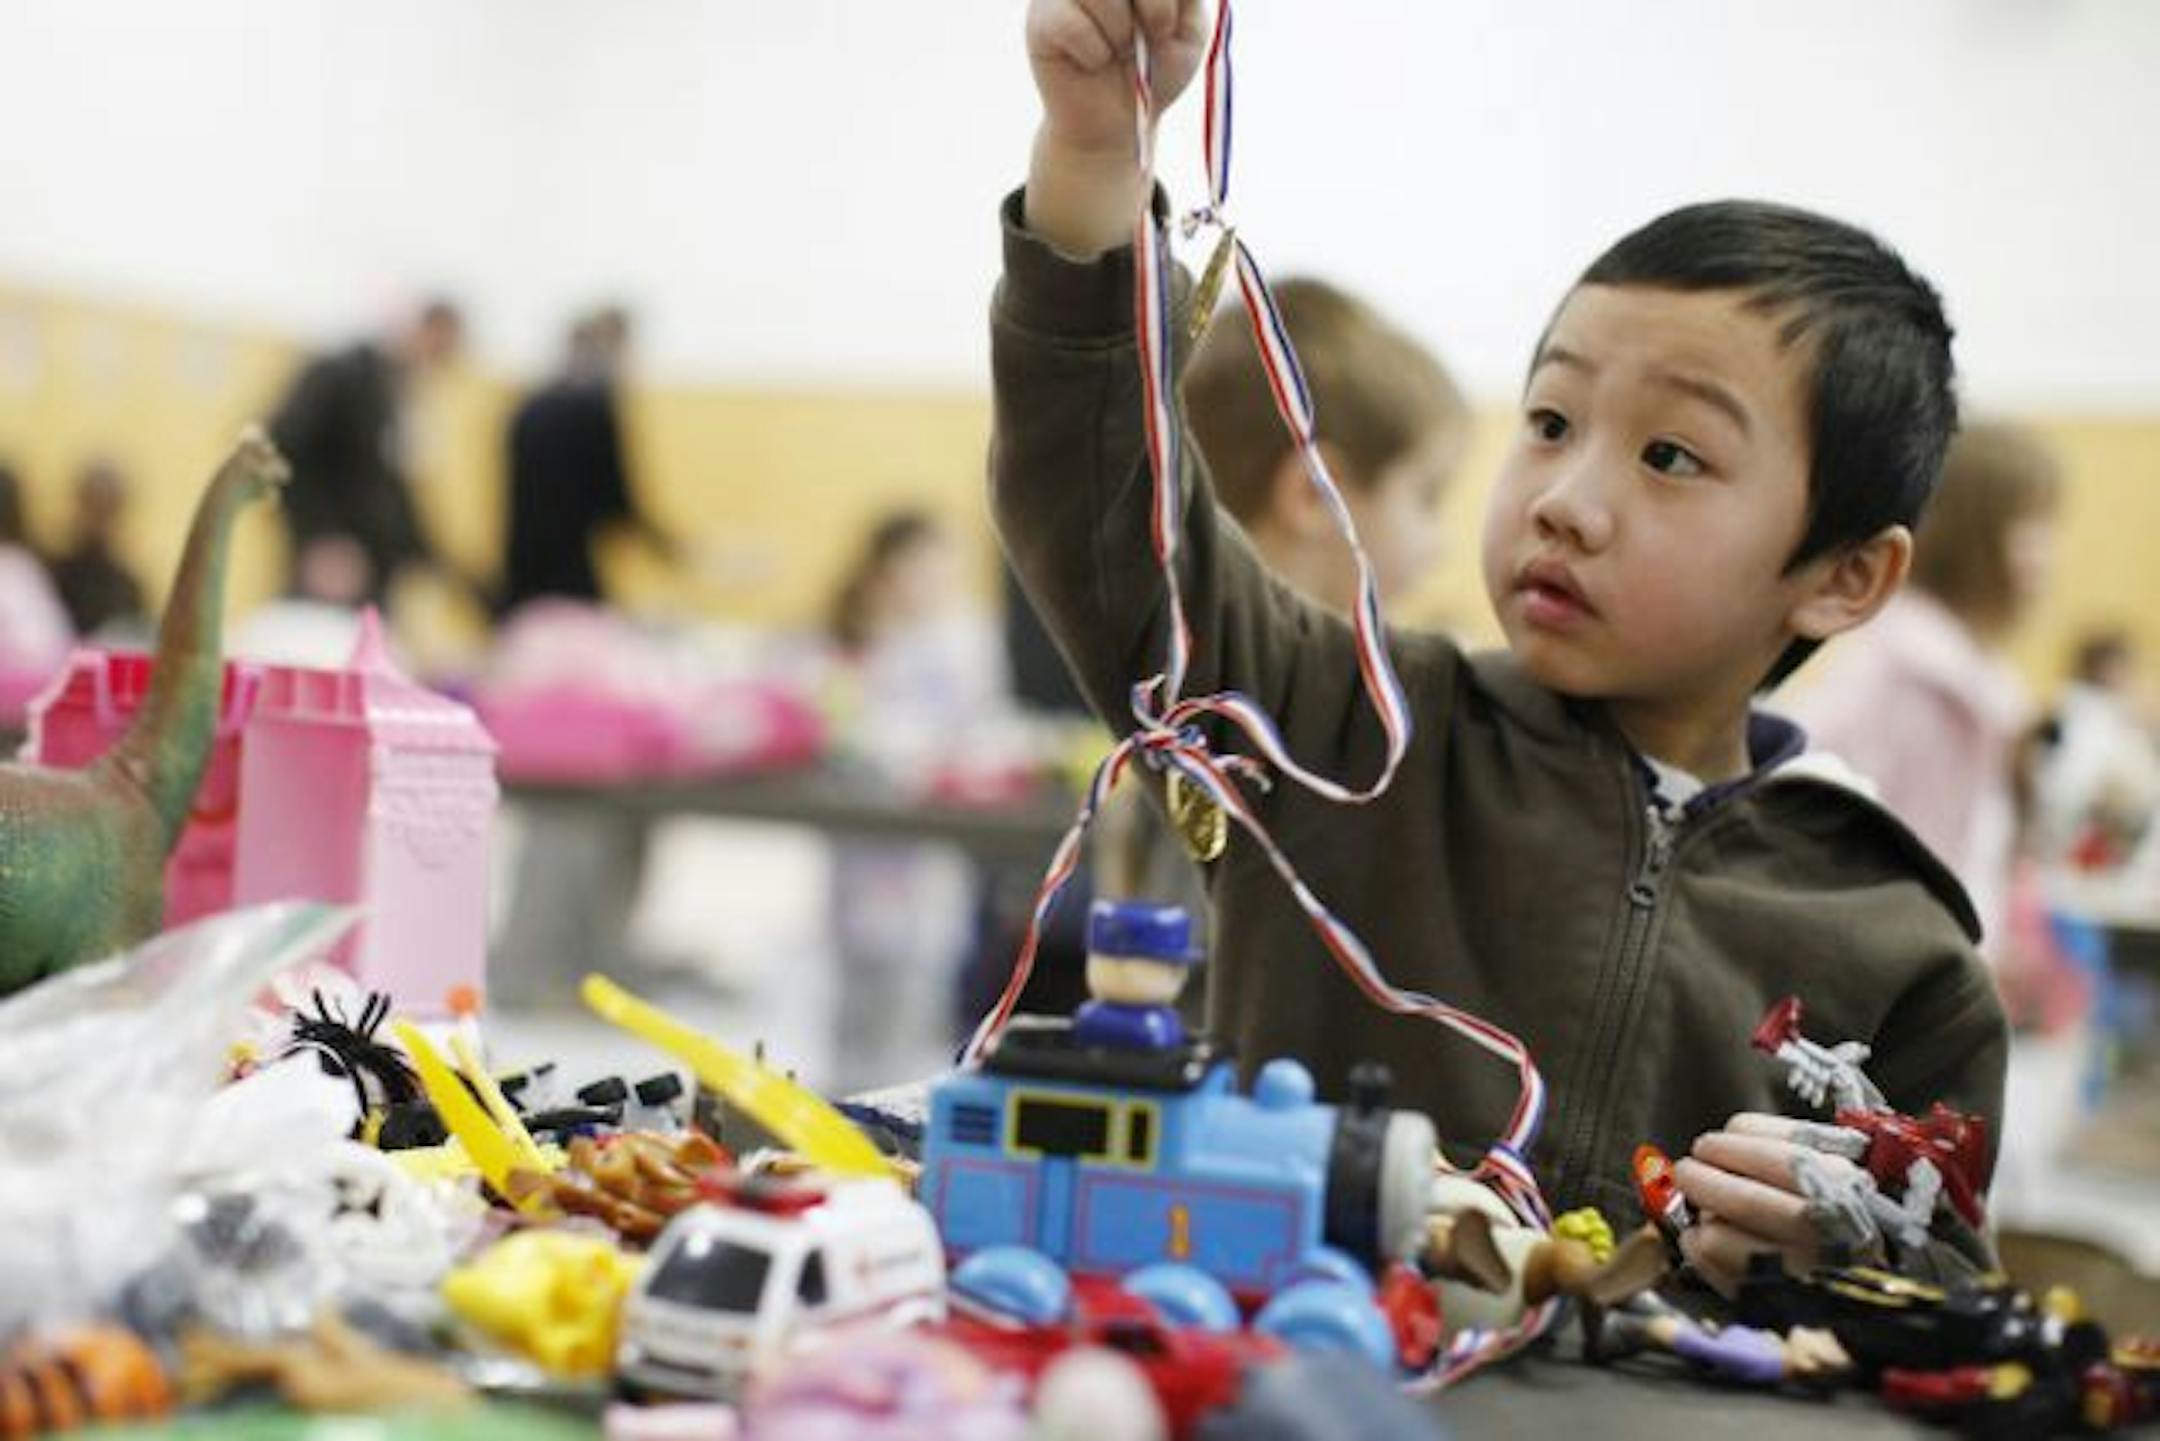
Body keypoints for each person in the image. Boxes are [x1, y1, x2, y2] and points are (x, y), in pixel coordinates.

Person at [996, 0, 2002, 1293]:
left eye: (1670, 455)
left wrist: (1855, 1262)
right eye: (1548, 417)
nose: (1564, 497)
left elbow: (1951, 1306)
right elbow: (1110, 521)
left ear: (1846, 574)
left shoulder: (1901, 939)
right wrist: (1090, 158)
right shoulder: (1348, 719)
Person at [1096, 277, 1468, 920]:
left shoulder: (1187, 681)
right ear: (1315, 495)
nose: (1438, 544)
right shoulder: (1274, 718)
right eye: (1426, 498)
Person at [1789, 422, 2061, 947]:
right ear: (1973, 533)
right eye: (2030, 525)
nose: (2047, 554)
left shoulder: (1979, 679)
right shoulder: (1907, 672)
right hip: (1892, 975)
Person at [825, 509, 1009, 1093]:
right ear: (881, 572)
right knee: (856, 968)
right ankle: (843, 1087)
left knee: (922, 970)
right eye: (915, 567)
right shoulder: (859, 640)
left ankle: (899, 1096)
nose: (930, 580)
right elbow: (844, 725)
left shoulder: (963, 642)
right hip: (866, 847)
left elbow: (979, 725)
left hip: (928, 851)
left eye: (939, 567)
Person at [267, 299, 463, 608]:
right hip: (333, 561)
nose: (436, 363)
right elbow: (282, 447)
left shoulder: (399, 394)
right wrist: (322, 537)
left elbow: (392, 489)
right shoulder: (343, 374)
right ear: (422, 330)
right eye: (439, 348)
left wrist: (431, 559)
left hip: (374, 566)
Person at [500, 307, 676, 615]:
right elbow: (618, 504)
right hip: (572, 587)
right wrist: (674, 550)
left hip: (523, 586)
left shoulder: (527, 407)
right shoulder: (596, 407)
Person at [46, 459, 147, 640]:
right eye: (93, 505)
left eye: (107, 508)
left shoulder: (127, 586)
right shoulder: (50, 572)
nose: (98, 518)